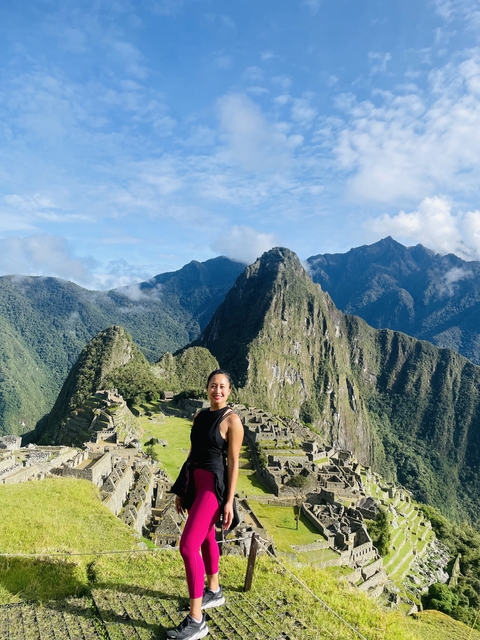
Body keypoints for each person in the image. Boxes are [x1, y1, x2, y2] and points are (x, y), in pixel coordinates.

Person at [167, 369, 244, 640]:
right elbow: (192, 453)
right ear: (207, 388)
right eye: (213, 385)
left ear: (229, 390)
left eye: (222, 386)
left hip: (212, 488)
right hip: (195, 483)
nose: (217, 390)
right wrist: (181, 489)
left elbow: (234, 464)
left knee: (187, 546)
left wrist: (229, 502)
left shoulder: (232, 421)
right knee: (206, 537)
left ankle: (196, 619)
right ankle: (214, 590)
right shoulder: (200, 416)